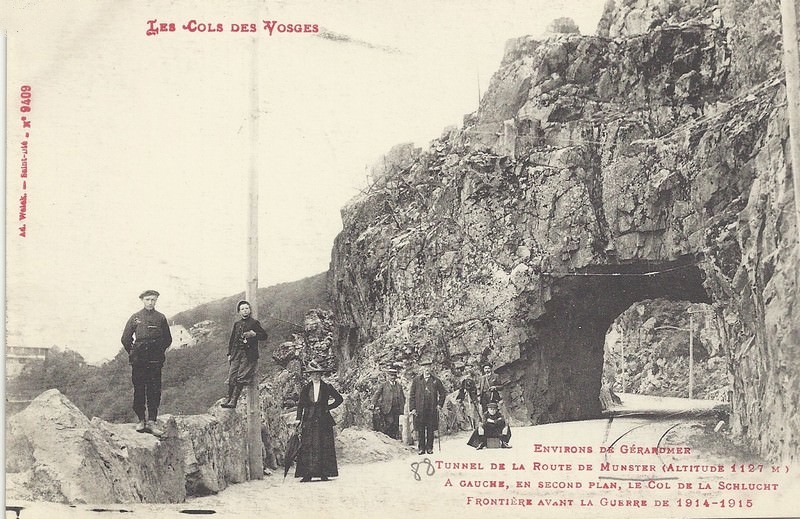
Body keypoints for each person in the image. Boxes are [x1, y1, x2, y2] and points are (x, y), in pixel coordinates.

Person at [120, 289, 172, 436]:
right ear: (142, 300)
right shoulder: (135, 317)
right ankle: (141, 420)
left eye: (153, 300)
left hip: (155, 361)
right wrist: (133, 352)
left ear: (156, 301)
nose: (150, 302)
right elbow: (125, 338)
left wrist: (159, 351)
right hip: (139, 361)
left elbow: (168, 339)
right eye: (148, 299)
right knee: (139, 390)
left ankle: (152, 421)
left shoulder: (161, 318)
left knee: (154, 390)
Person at [294, 360, 344, 482]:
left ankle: (324, 473)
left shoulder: (327, 387)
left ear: (321, 375)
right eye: (313, 374)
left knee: (324, 445)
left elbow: (339, 399)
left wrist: (328, 407)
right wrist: (298, 418)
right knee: (308, 445)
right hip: (309, 420)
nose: (315, 376)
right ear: (310, 375)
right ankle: (307, 474)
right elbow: (300, 404)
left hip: (323, 420)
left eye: (318, 374)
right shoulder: (306, 388)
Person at [221, 300, 268, 408]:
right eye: (242, 309)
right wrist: (229, 354)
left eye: (247, 308)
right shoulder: (237, 324)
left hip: (248, 354)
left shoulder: (254, 323)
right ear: (239, 312)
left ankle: (233, 401)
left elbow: (264, 335)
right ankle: (228, 398)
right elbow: (232, 339)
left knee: (241, 376)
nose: (245, 310)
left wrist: (254, 334)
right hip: (236, 353)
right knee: (232, 376)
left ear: (250, 310)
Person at [409, 359, 446, 455]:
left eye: (428, 367)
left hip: (431, 409)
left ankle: (429, 448)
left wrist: (439, 404)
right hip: (419, 409)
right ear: (422, 368)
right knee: (420, 429)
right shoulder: (416, 380)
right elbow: (412, 395)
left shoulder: (436, 380)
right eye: (425, 367)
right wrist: (412, 408)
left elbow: (443, 393)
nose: (426, 369)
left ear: (431, 368)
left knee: (430, 429)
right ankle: (421, 448)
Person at [370, 368, 405, 440]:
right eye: (391, 375)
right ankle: (387, 439)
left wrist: (402, 407)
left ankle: (394, 441)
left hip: (396, 409)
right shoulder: (384, 385)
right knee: (389, 423)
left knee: (395, 425)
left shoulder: (399, 386)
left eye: (394, 376)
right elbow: (377, 394)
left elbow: (402, 397)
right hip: (387, 408)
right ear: (388, 376)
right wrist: (373, 403)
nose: (393, 377)